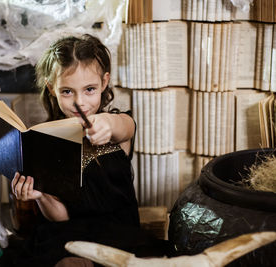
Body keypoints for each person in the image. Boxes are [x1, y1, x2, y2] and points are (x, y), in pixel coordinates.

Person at [10, 34, 168, 266]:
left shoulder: (117, 124)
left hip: (120, 237)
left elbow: (125, 127)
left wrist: (106, 123)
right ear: (52, 88)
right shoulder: (47, 142)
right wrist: (40, 195)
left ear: (104, 83)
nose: (79, 102)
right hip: (68, 237)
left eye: (89, 89)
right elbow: (61, 217)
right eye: (67, 91)